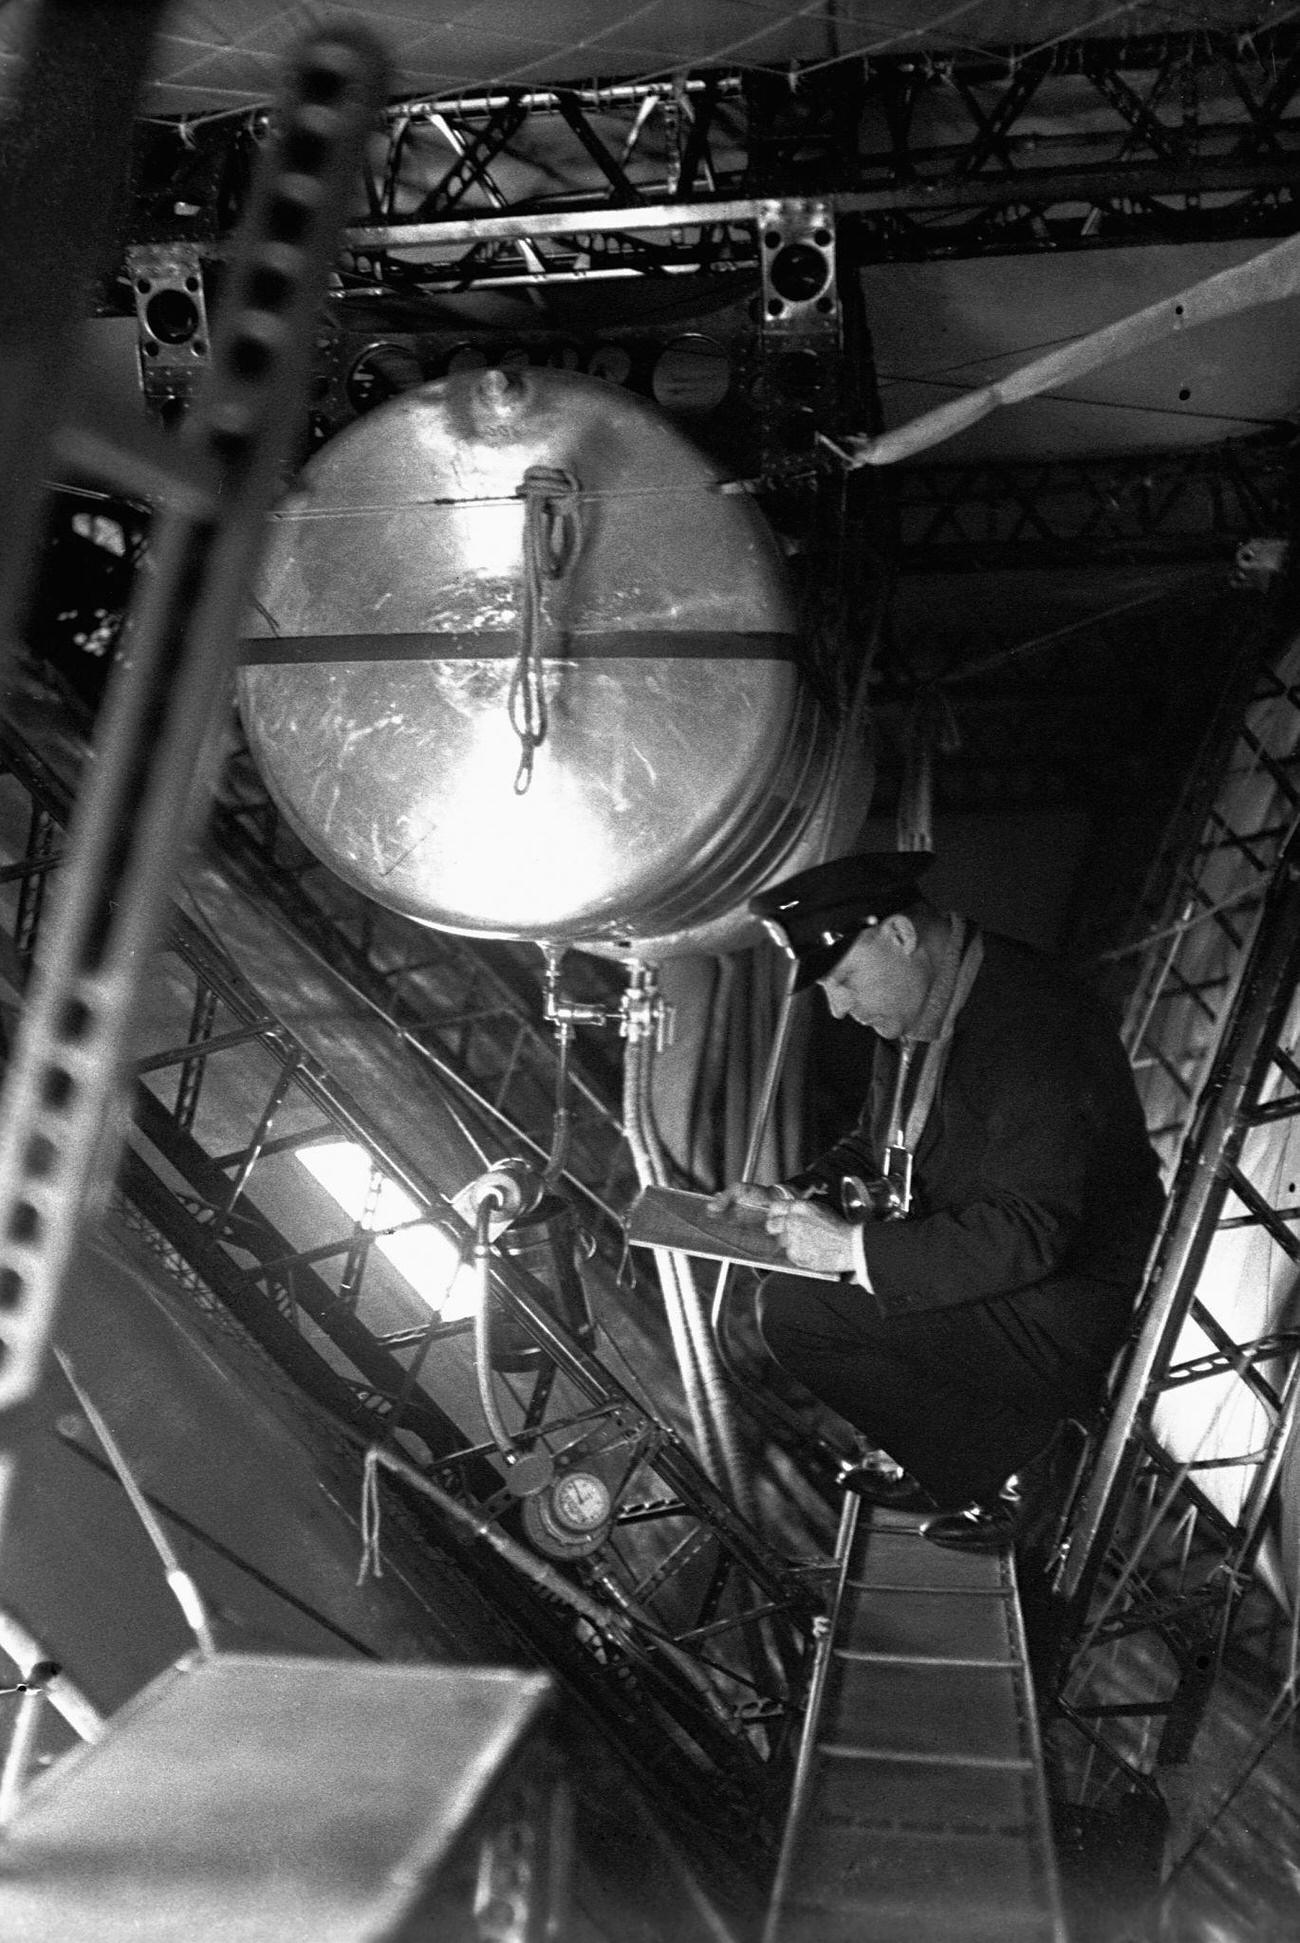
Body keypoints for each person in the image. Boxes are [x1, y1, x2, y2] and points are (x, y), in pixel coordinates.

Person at [708, 850, 1165, 1550]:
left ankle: (1033, 1466)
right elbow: (874, 1145)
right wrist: (788, 1198)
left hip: (1070, 1300)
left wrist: (853, 1248)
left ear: (898, 934)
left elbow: (1029, 1231)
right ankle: (961, 1457)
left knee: (799, 1312)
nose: (839, 1008)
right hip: (1011, 1278)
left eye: (845, 980)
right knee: (800, 1296)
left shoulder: (1032, 1019)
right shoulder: (929, 1003)